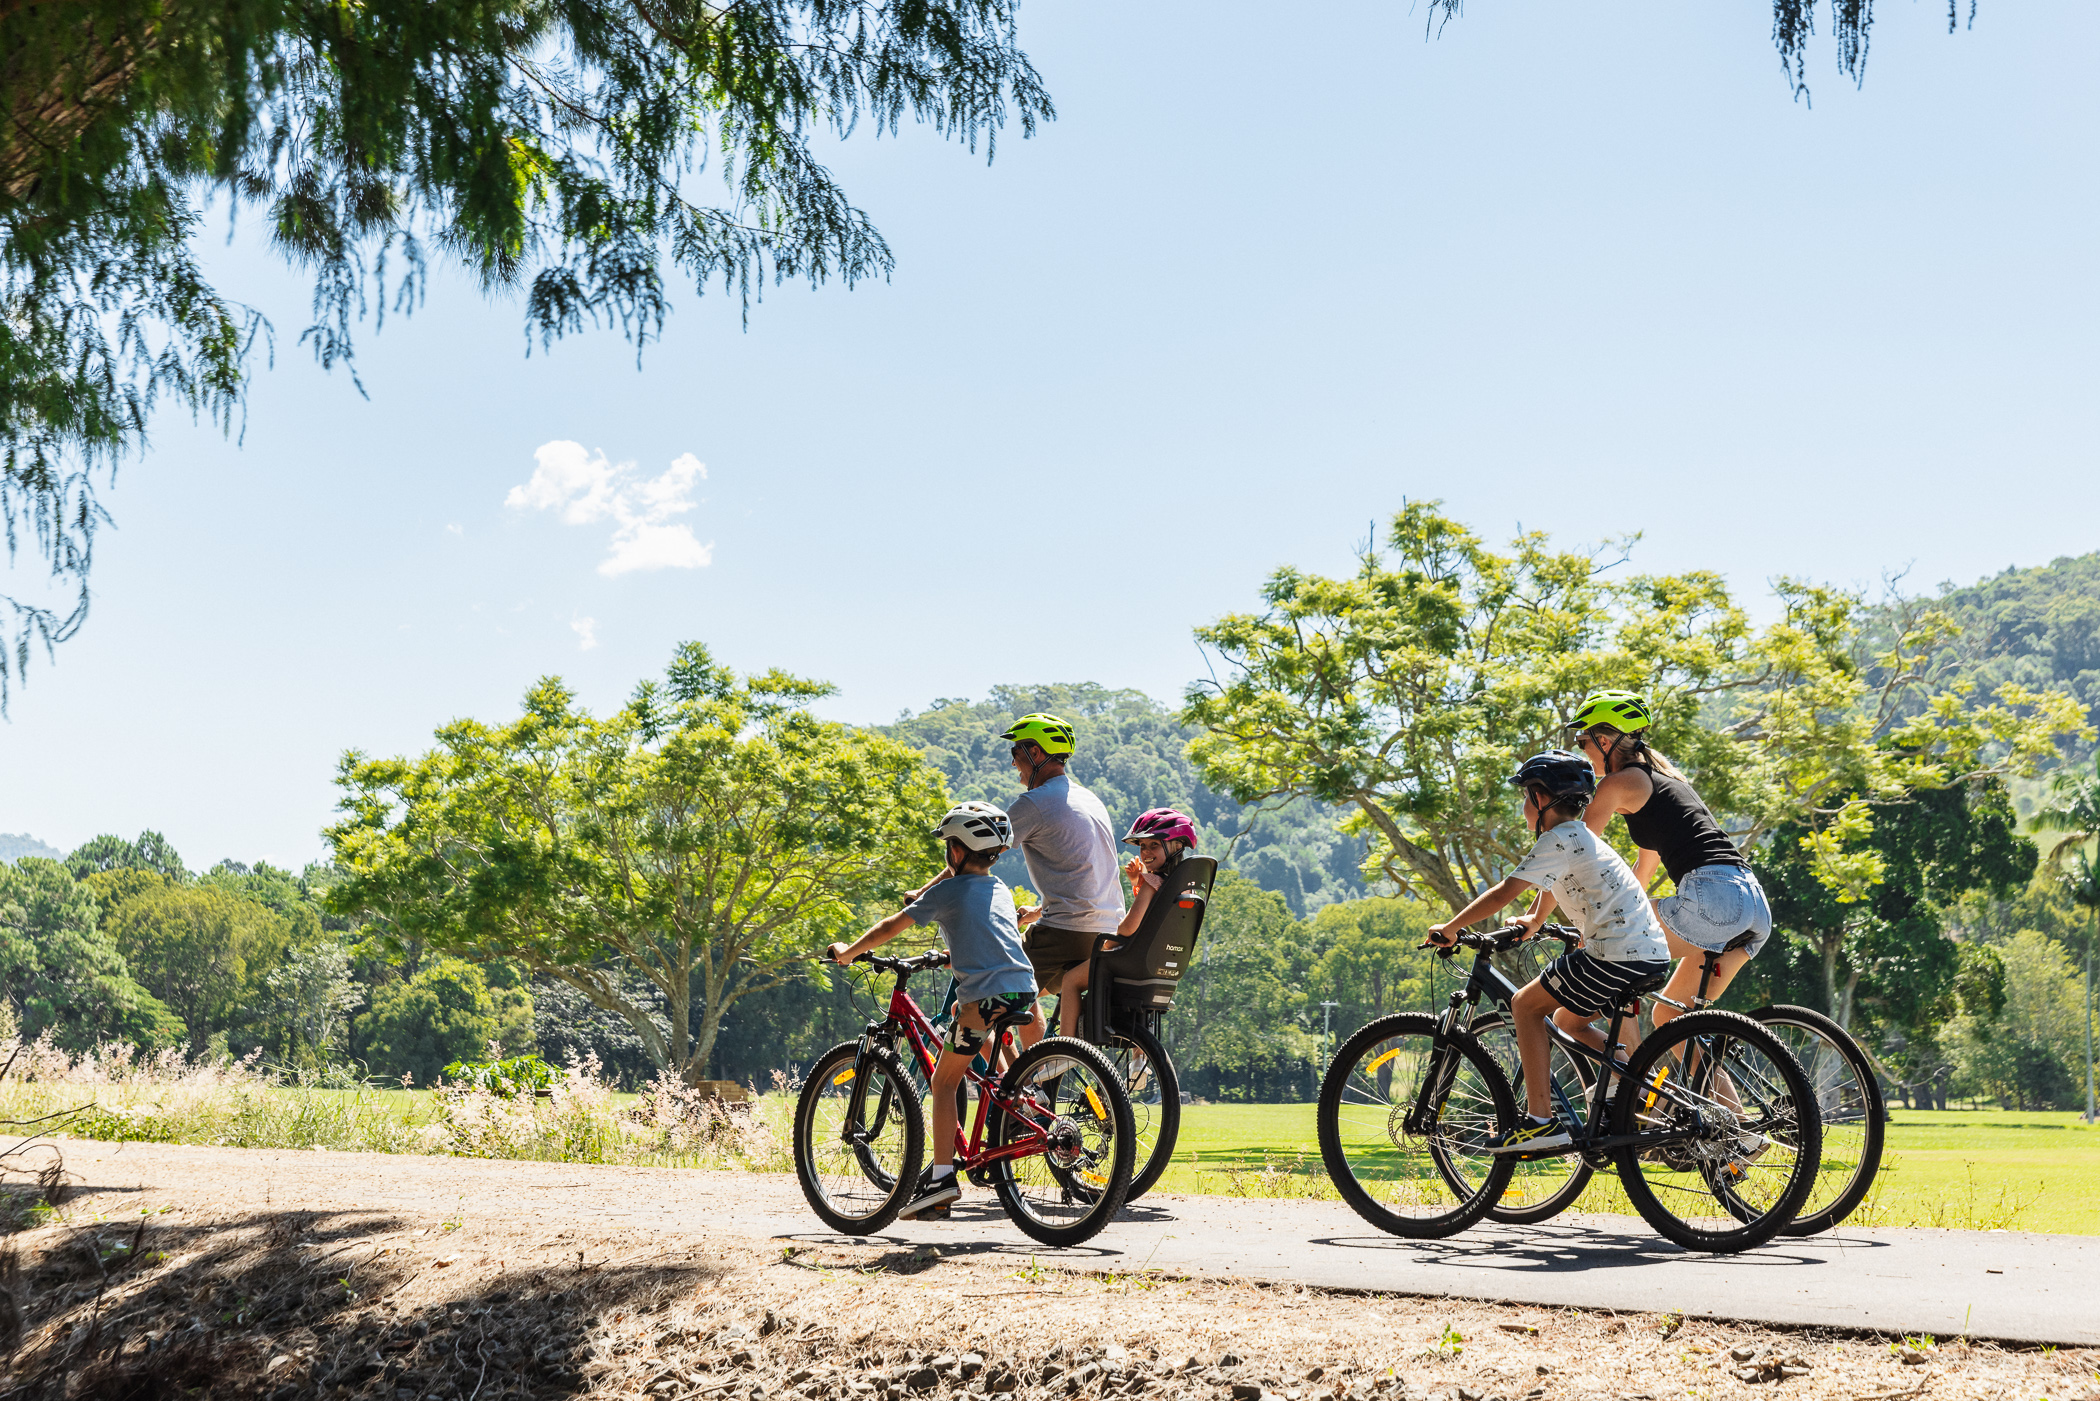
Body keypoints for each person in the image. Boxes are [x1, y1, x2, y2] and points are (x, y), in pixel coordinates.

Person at [1427, 751, 1672, 1155]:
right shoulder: (1581, 837)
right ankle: (1635, 1085)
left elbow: (1506, 891)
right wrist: (1535, 921)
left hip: (1614, 954)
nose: (1524, 808)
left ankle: (1540, 1122)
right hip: (1647, 954)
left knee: (1524, 1006)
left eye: (1526, 797)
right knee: (1568, 1021)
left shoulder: (1557, 837)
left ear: (1541, 799)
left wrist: (1451, 928)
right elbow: (1552, 883)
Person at [827, 800, 1043, 1220]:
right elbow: (991, 932)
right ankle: (1021, 1103)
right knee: (981, 1052)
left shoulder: (945, 891)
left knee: (945, 1084)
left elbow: (892, 926)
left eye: (948, 846)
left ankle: (943, 1181)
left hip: (984, 997)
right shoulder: (999, 888)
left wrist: (849, 952)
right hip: (1022, 990)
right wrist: (952, 955)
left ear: (957, 851)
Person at [1524, 690, 1773, 1050]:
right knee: (1670, 1019)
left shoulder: (1616, 783)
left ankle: (1630, 1089)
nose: (1582, 751)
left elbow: (1570, 851)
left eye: (1583, 740)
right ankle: (1725, 1110)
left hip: (1713, 899)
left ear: (1605, 740)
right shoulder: (1663, 781)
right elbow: (1643, 868)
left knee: (1617, 950)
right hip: (1751, 905)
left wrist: (1536, 917)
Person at [998, 712, 1126, 1038]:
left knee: (995, 983)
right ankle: (1037, 1075)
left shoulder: (1035, 802)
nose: (1014, 764)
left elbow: (977, 849)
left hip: (1068, 932)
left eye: (1016, 753)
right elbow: (1089, 875)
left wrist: (925, 894)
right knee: (1024, 991)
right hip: (1109, 933)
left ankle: (1025, 1082)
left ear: (1036, 754)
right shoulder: (1090, 799)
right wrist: (1039, 911)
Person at [1056, 807, 1200, 1027]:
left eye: (1154, 844)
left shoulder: (1152, 883)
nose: (1145, 852)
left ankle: (1065, 1050)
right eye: (1142, 846)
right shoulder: (1181, 888)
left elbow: (1129, 928)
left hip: (1130, 961)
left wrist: (1106, 943)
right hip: (1159, 963)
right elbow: (1153, 914)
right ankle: (1139, 1058)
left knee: (1071, 980)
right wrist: (1137, 883)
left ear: (1177, 846)